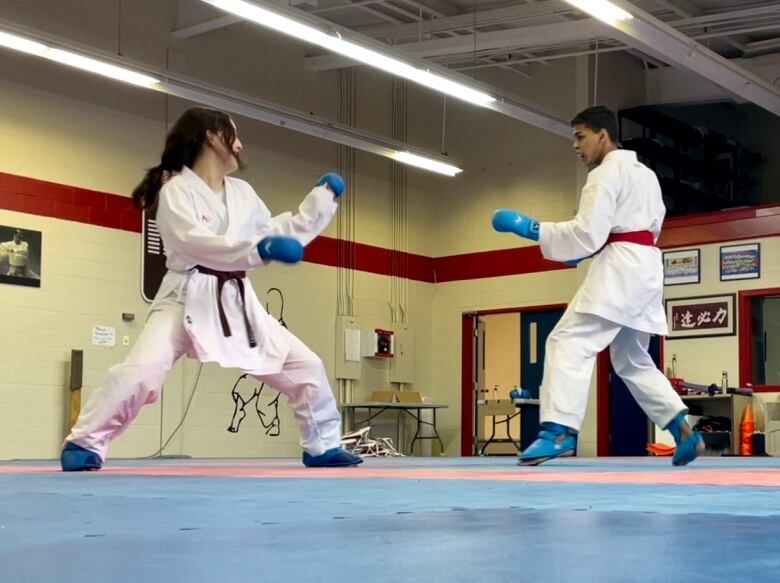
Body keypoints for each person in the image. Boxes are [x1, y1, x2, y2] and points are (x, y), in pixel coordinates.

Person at [61, 107, 362, 470]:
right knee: (141, 371)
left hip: (235, 303)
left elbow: (275, 232)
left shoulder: (242, 193)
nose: (239, 144)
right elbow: (195, 242)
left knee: (305, 366)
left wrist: (320, 203)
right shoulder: (175, 190)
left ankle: (322, 446)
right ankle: (85, 443)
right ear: (211, 137)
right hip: (184, 297)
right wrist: (256, 251)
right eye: (232, 135)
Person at [491, 105, 703, 466]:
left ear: (603, 135)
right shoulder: (646, 174)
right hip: (646, 269)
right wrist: (587, 250)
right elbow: (625, 230)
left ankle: (557, 432)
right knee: (631, 358)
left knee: (568, 340)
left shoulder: (605, 174)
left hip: (620, 269)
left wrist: (532, 228)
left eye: (580, 136)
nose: (576, 146)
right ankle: (683, 430)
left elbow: (588, 233)